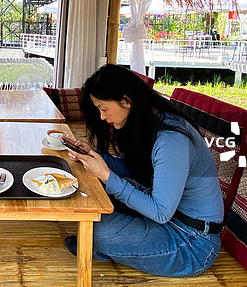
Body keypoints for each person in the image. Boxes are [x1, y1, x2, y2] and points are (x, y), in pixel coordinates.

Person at [61, 64, 223, 277]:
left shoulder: (172, 139)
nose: (102, 117)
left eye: (104, 108)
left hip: (191, 241)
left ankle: (101, 246)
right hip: (170, 217)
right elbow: (132, 168)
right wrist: (96, 157)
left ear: (126, 101)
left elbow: (161, 212)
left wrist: (106, 174)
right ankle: (108, 244)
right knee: (90, 188)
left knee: (101, 232)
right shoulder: (150, 122)